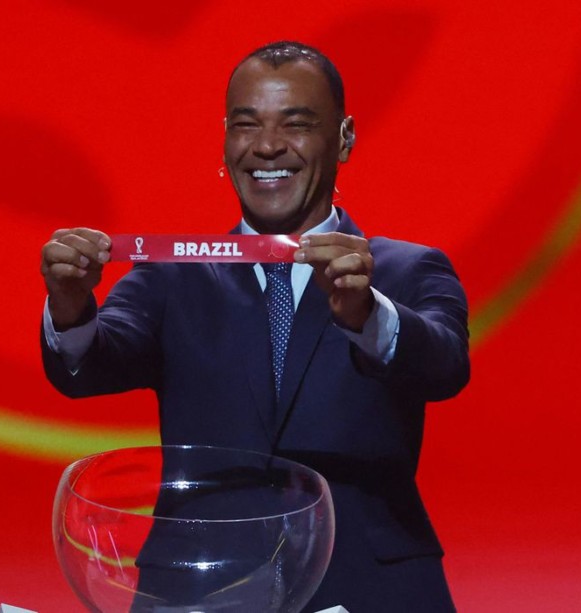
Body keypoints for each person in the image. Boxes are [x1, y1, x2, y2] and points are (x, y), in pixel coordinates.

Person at [40, 41, 469, 612]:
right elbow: (90, 362)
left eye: (296, 124)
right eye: (246, 125)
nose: (267, 146)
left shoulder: (407, 270)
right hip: (200, 590)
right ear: (225, 139)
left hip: (366, 588)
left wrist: (366, 315)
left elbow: (445, 365)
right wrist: (70, 305)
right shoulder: (174, 277)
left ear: (344, 138)